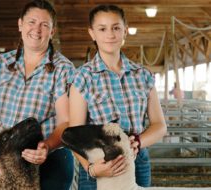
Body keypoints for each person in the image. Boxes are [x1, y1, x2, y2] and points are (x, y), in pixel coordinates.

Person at [0, 1, 74, 189]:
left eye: (45, 25)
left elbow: (66, 121)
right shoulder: (2, 63)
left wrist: (47, 146)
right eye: (31, 22)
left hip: (48, 160)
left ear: (52, 31)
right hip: (0, 158)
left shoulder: (63, 68)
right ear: (20, 24)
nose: (37, 29)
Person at [68, 4, 167, 189]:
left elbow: (160, 125)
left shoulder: (142, 75)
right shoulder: (82, 77)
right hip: (99, 162)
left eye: (116, 27)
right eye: (102, 29)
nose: (110, 34)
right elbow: (74, 134)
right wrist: (90, 168)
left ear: (125, 30)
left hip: (137, 160)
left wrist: (137, 142)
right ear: (92, 33)